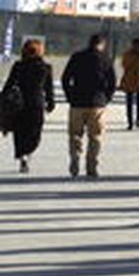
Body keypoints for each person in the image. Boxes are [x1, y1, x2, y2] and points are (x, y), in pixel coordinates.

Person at [61, 33, 116, 178]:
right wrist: (106, 98)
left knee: (75, 134)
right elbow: (112, 82)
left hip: (77, 102)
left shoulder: (77, 57)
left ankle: (75, 157)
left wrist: (70, 96)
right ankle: (92, 166)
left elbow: (65, 78)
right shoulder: (105, 59)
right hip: (97, 103)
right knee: (95, 136)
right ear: (102, 44)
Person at [3, 39, 54, 173]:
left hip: (19, 104)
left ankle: (22, 155)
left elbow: (9, 84)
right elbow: (49, 89)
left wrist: (3, 100)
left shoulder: (18, 66)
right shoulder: (45, 67)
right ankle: (28, 152)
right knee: (34, 133)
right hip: (36, 104)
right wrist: (50, 103)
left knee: (20, 132)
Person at [120, 37, 139, 130]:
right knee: (136, 102)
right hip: (137, 80)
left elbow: (124, 64)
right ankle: (134, 121)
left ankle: (134, 121)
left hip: (133, 80)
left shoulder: (129, 54)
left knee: (132, 102)